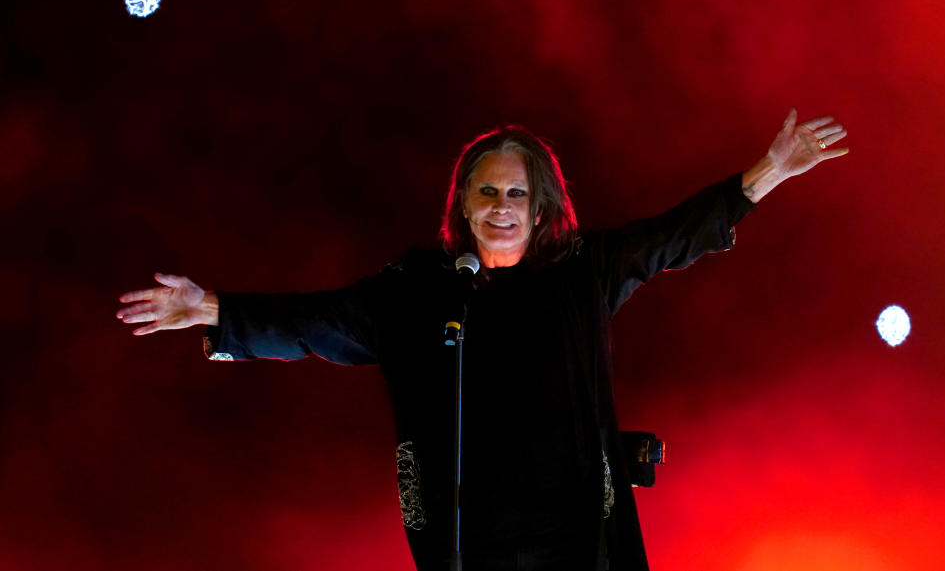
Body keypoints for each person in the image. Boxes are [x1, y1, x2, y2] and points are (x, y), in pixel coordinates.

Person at [117, 110, 848, 570]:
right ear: (463, 206)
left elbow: (671, 238)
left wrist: (767, 173)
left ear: (542, 210)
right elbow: (316, 321)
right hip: (469, 549)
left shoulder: (583, 273)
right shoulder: (417, 291)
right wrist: (208, 308)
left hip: (577, 545)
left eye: (517, 194)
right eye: (488, 193)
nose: (502, 207)